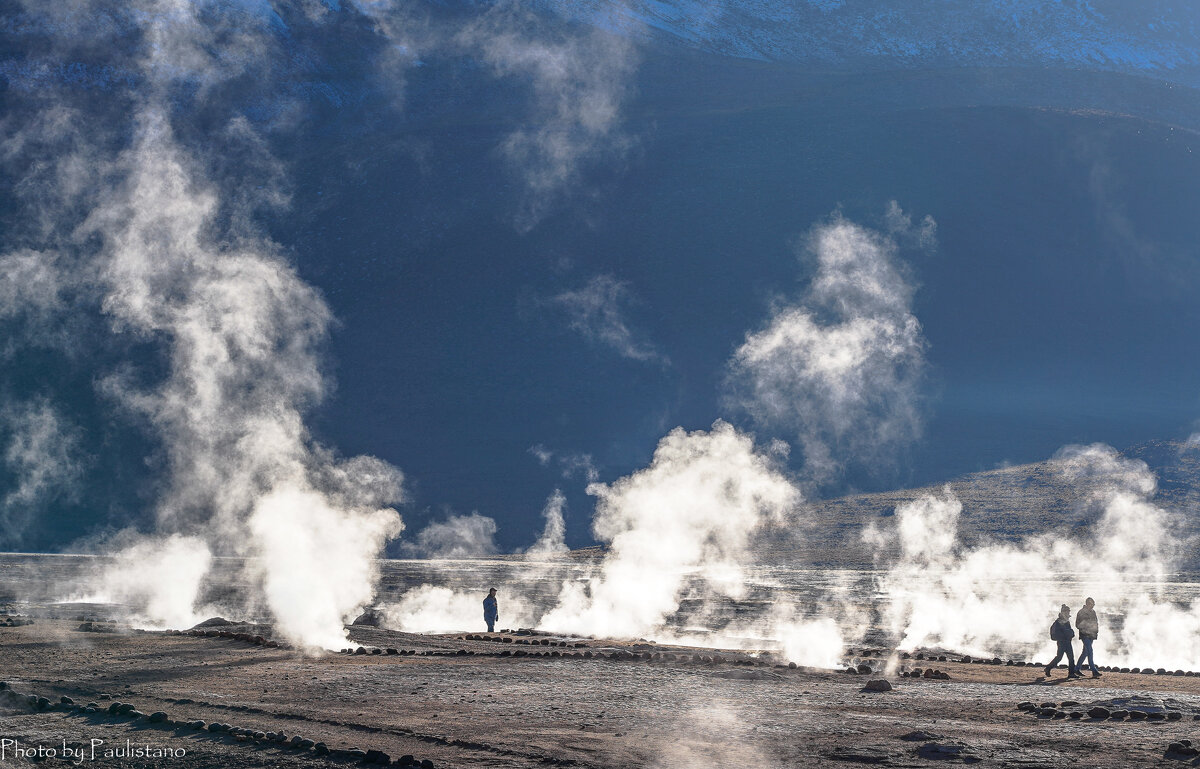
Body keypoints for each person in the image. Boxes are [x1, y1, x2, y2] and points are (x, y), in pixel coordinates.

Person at [1045, 604, 1080, 679]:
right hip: (1062, 642)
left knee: (1070, 657)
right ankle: (1048, 668)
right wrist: (1067, 635)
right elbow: (1061, 632)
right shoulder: (1059, 622)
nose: (1068, 613)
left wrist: (1070, 634)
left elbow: (1069, 631)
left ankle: (1071, 673)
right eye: (1067, 612)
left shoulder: (1065, 621)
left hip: (1066, 641)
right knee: (1060, 657)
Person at [1076, 598, 1101, 678]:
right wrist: (1085, 628)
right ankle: (1093, 670)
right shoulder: (1081, 612)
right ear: (1087, 604)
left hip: (1091, 635)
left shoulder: (1093, 612)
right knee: (1090, 651)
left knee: (1085, 652)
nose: (1093, 605)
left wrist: (1095, 631)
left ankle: (1076, 668)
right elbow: (1077, 625)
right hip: (1085, 635)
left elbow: (1096, 622)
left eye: (1093, 604)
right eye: (1092, 604)